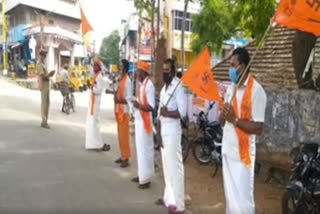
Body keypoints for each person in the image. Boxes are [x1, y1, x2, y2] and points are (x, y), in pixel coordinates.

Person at [220, 47, 267, 214]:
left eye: (233, 65)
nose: (230, 69)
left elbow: (259, 128)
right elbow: (223, 122)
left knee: (243, 201)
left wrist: (235, 120)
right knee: (231, 199)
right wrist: (223, 115)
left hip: (243, 156)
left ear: (244, 66)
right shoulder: (231, 89)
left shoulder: (257, 91)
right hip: (228, 150)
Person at [156, 58, 187, 214]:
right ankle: (169, 199)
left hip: (174, 132)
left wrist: (168, 113)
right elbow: (159, 114)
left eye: (167, 70)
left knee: (175, 168)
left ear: (173, 71)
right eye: (163, 70)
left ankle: (180, 205)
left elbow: (183, 112)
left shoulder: (178, 87)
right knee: (167, 167)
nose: (165, 73)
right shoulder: (164, 89)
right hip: (163, 131)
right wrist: (158, 134)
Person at [132, 60, 155, 189]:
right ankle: (141, 175)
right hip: (139, 120)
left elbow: (151, 106)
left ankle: (146, 179)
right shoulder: (142, 85)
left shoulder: (149, 86)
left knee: (145, 150)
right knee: (140, 150)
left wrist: (138, 105)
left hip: (145, 122)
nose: (137, 73)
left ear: (144, 72)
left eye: (139, 71)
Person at [85, 57, 110, 152]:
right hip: (92, 102)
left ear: (99, 67)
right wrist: (90, 59)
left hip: (96, 103)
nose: (94, 67)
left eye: (95, 66)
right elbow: (89, 68)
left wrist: (92, 88)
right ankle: (93, 144)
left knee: (95, 123)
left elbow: (99, 90)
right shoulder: (95, 75)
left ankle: (98, 144)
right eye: (94, 65)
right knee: (91, 123)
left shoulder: (99, 77)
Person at [113, 59, 132, 168]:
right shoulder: (121, 79)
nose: (119, 68)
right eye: (119, 66)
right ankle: (122, 155)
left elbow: (128, 99)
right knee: (120, 136)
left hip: (124, 112)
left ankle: (126, 158)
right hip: (119, 110)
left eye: (121, 67)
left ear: (125, 68)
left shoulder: (128, 81)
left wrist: (119, 101)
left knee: (124, 136)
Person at [37, 48, 55, 129]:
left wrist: (49, 74)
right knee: (44, 103)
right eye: (44, 54)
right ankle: (44, 122)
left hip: (47, 84)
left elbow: (45, 75)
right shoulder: (39, 64)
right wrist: (49, 75)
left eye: (45, 55)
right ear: (41, 55)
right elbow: (42, 76)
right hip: (44, 84)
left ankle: (45, 121)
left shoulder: (43, 63)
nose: (45, 56)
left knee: (47, 103)